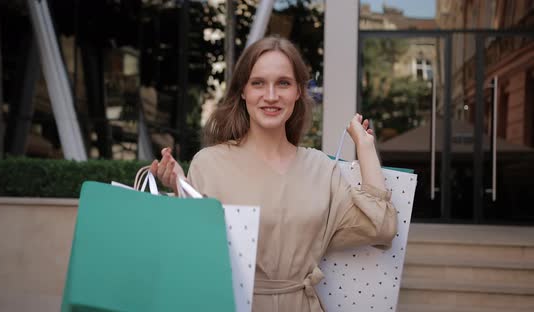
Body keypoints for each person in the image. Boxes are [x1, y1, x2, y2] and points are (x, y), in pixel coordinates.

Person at [150, 36, 397, 312]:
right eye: (258, 83)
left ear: (298, 92)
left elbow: (381, 226)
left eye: (283, 83)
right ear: (243, 91)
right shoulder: (208, 164)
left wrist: (365, 147)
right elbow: (190, 254)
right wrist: (179, 189)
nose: (271, 96)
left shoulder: (320, 168)